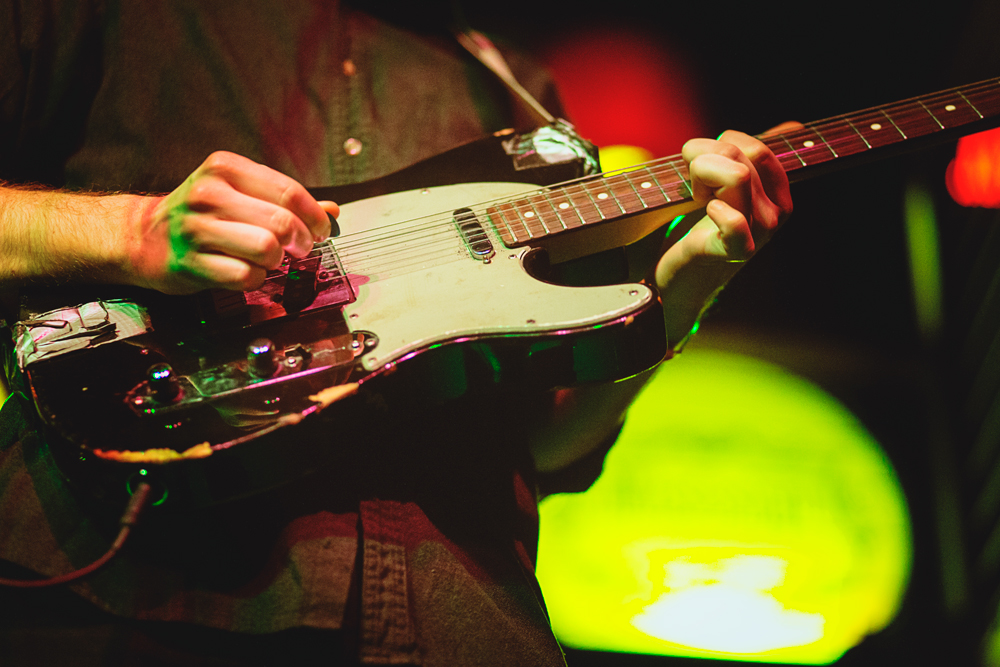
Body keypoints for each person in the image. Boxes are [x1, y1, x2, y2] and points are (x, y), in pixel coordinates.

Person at [0, 1, 792, 664]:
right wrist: (131, 229)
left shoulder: (520, 94)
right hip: (128, 591)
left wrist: (691, 280)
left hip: (465, 623)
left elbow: (544, 443)